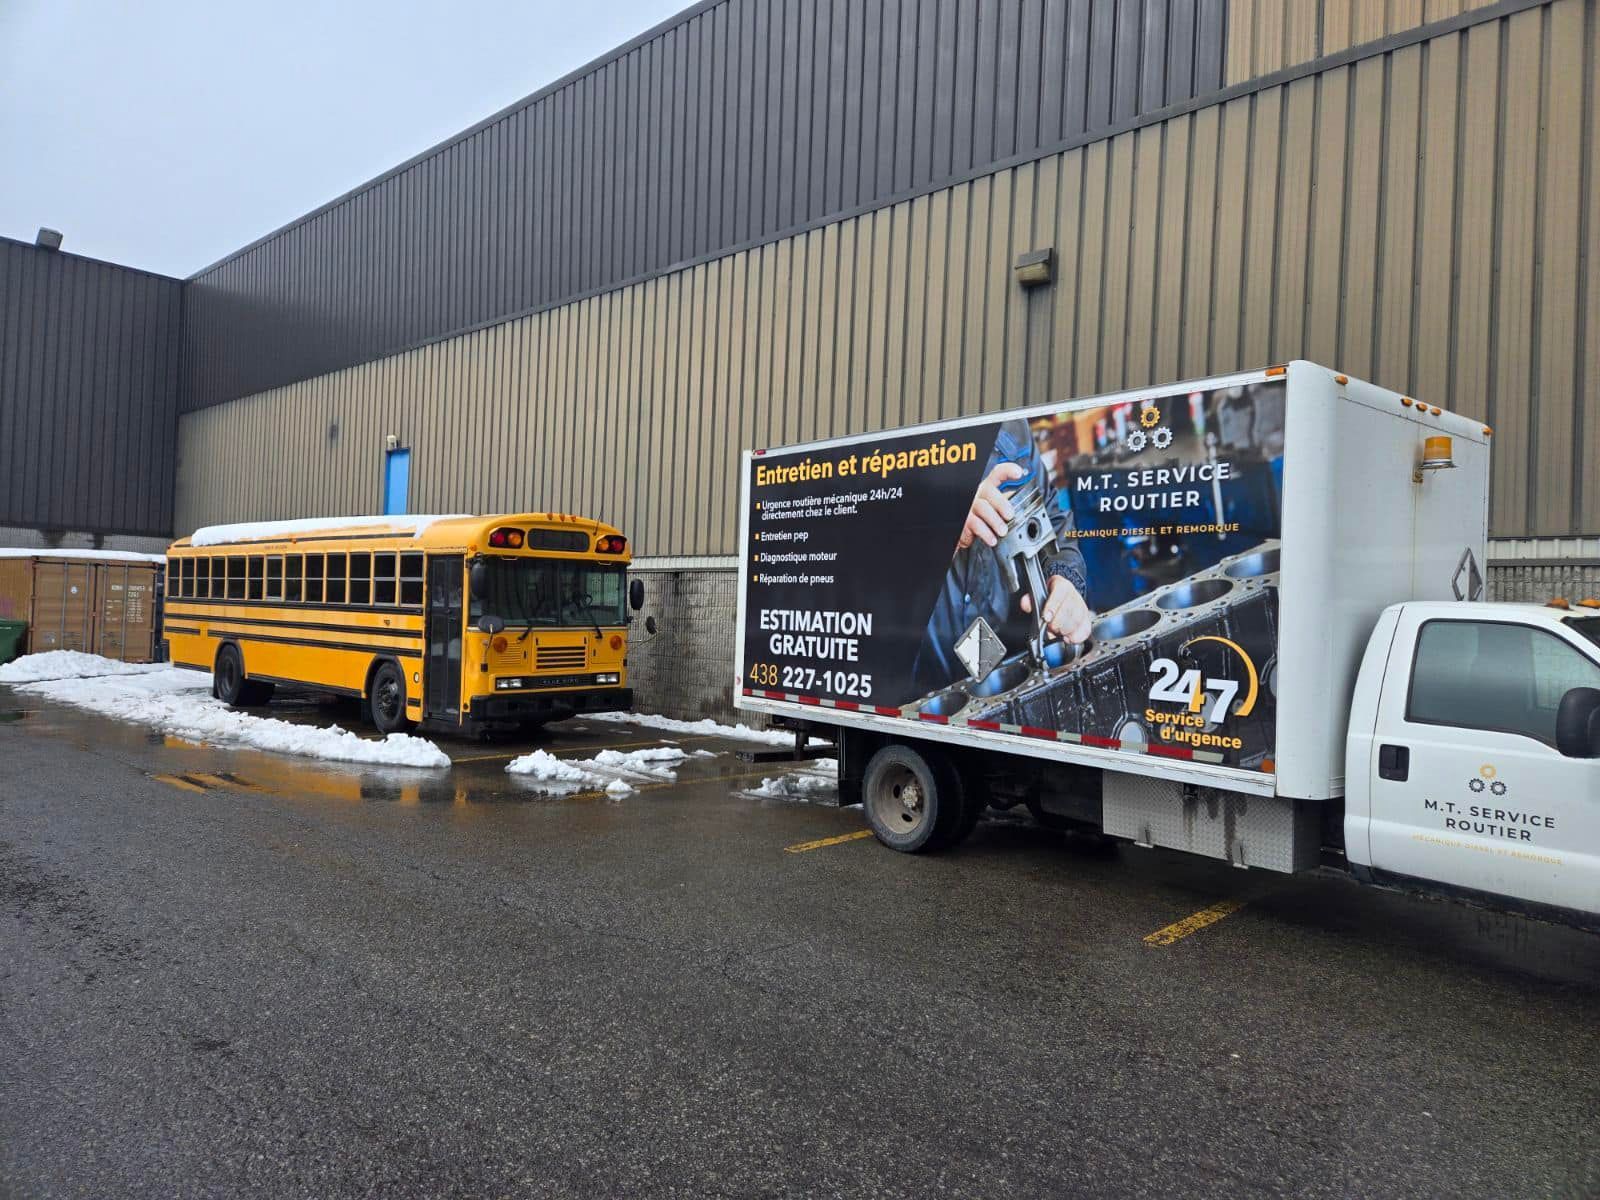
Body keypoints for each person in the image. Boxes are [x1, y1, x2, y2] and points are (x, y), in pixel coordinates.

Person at [912, 418, 1092, 693]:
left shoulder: (1009, 426)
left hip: (1012, 672)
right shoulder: (887, 448)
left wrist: (1065, 579)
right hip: (925, 686)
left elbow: (1054, 521)